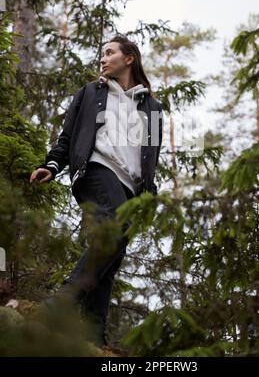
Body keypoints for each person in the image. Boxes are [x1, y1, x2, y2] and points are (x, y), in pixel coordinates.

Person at [29, 34, 164, 347]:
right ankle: (59, 304)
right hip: (97, 170)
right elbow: (67, 137)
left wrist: (149, 197)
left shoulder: (154, 109)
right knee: (111, 237)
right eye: (101, 54)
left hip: (132, 189)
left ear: (129, 58)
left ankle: (93, 339)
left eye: (109, 52)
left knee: (110, 256)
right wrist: (51, 165)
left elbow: (151, 159)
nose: (103, 59)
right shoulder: (89, 93)